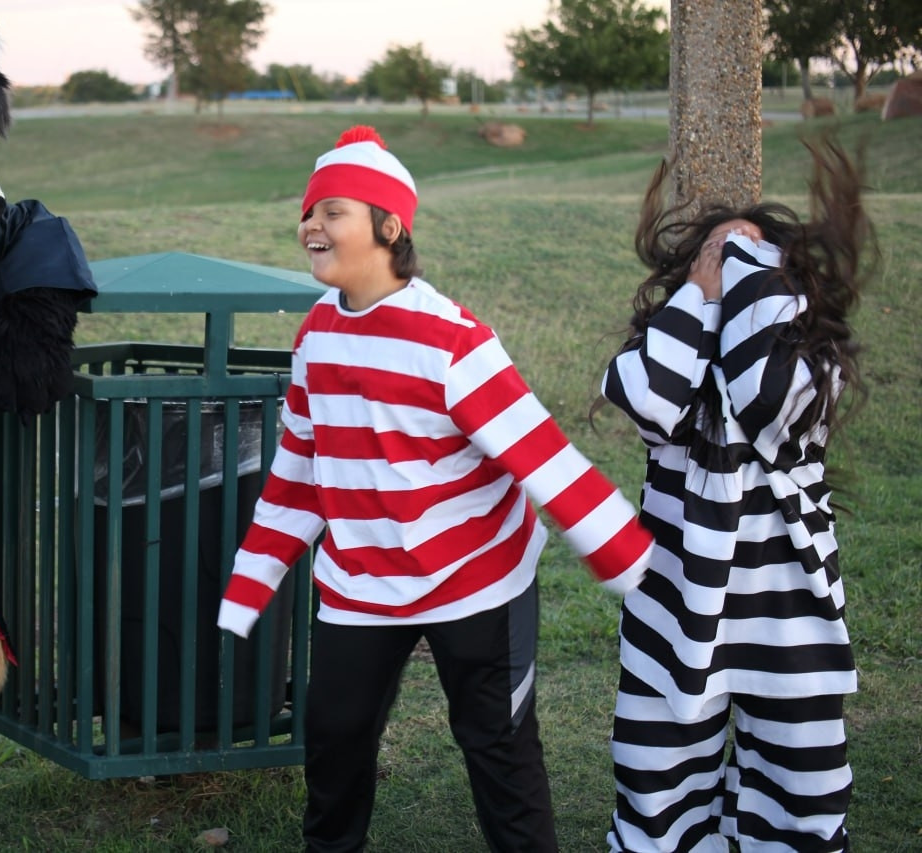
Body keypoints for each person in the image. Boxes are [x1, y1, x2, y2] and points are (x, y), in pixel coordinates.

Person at [216, 125, 654, 852]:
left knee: (497, 749)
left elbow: (543, 455)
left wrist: (629, 561)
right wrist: (251, 583)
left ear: (389, 226)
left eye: (332, 211)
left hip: (478, 578)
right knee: (334, 742)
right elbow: (298, 470)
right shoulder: (316, 336)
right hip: (362, 582)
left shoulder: (452, 340)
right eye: (308, 212)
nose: (310, 226)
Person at [596, 139, 875, 852]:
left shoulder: (809, 371)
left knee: (798, 803)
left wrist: (748, 270)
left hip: (789, 626)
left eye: (757, 260)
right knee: (661, 800)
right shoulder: (672, 360)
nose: (734, 265)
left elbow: (763, 395)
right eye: (717, 256)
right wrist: (701, 293)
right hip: (674, 619)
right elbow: (646, 399)